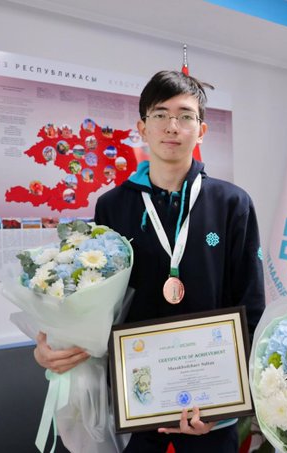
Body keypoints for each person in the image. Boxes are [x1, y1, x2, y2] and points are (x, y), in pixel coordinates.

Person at [34, 70, 265, 452]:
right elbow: (90, 301)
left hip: (212, 408)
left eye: (185, 115)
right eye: (160, 115)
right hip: (138, 402)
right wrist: (53, 345)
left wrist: (227, 403)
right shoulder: (112, 205)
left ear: (201, 130)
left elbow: (251, 304)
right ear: (142, 127)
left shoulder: (232, 204)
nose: (172, 126)